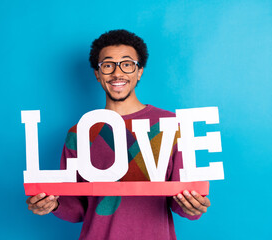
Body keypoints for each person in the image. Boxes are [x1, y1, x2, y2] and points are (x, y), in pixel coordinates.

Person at [26, 29, 211, 239]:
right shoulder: (79, 133)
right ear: (97, 74)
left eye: (127, 64)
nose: (117, 73)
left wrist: (192, 206)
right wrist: (52, 204)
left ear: (139, 71)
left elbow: (179, 199)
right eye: (107, 65)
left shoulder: (170, 126)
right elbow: (78, 209)